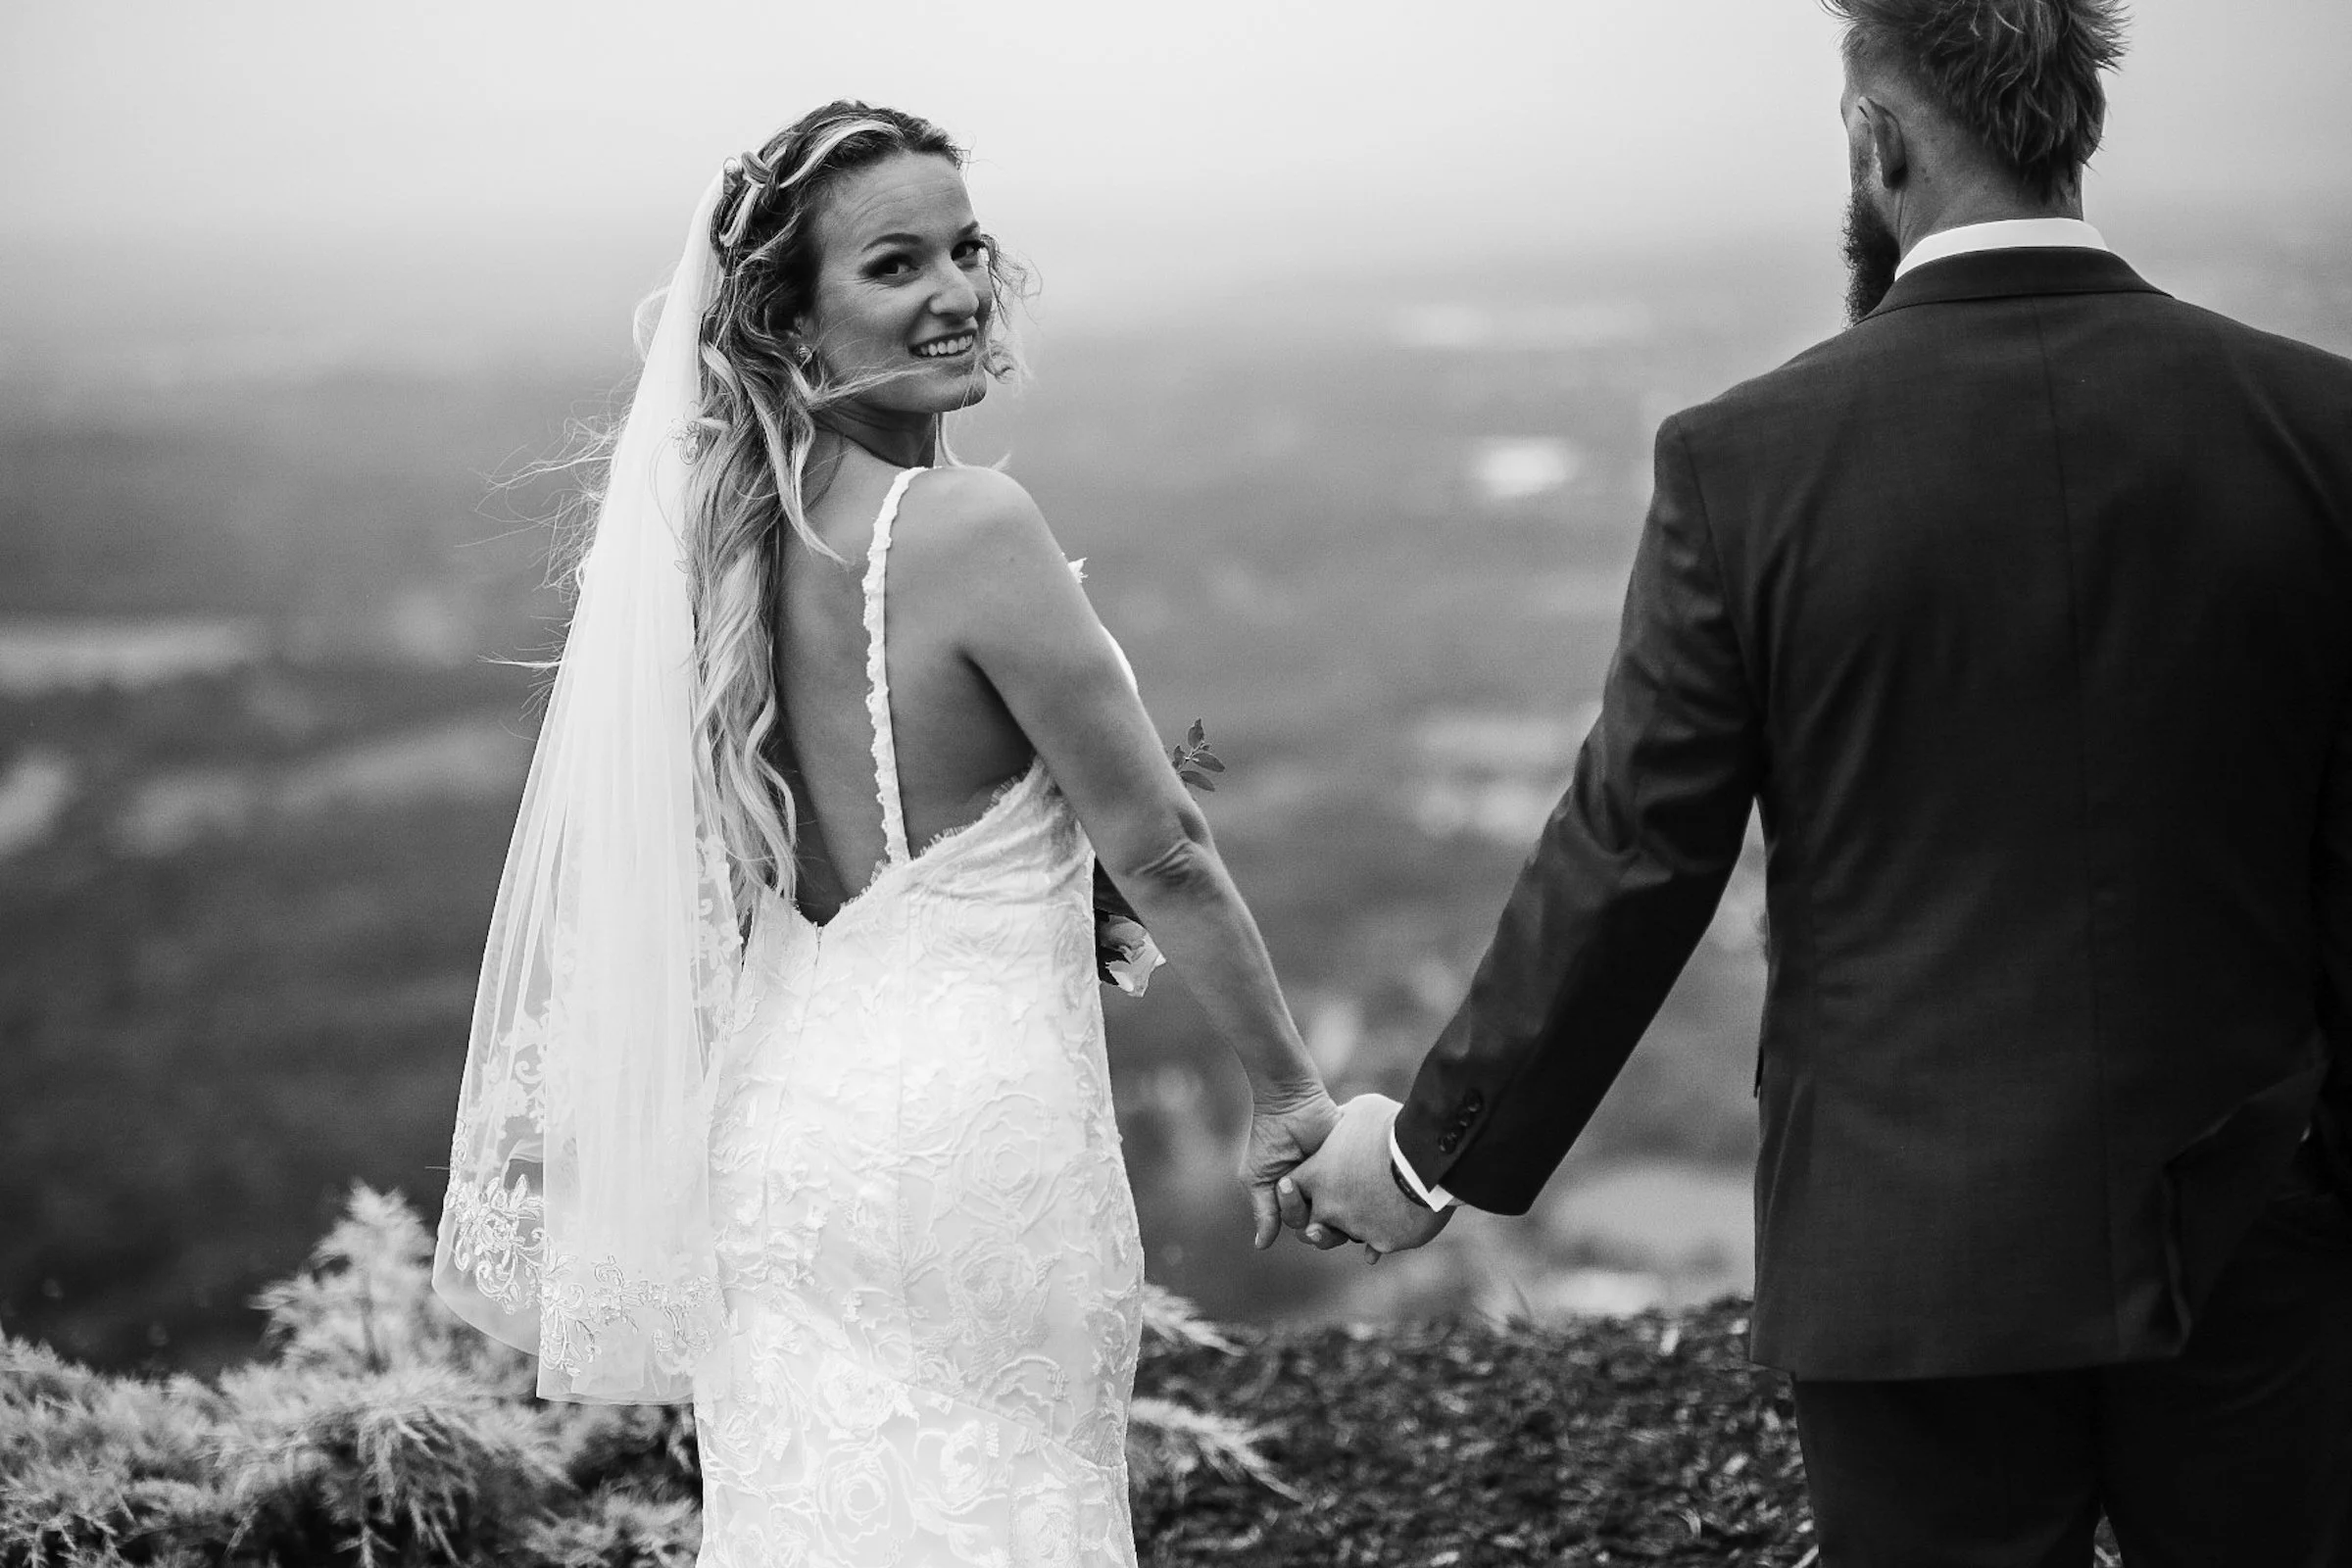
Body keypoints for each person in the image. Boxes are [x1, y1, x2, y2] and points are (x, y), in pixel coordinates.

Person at [1285, 1, 2352, 1561]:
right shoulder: (2318, 425)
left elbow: (1639, 852)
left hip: (1910, 1250)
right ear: (2081, 131)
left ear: (1876, 140)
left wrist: (1422, 1154)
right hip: (2263, 1230)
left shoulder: (1750, 460)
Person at [432, 103, 1337, 1567]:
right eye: (898, 264)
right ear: (792, 323)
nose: (959, 290)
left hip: (781, 1143)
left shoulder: (722, 553)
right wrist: (1291, 1094)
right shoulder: (972, 527)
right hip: (970, 1150)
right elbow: (1163, 844)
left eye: (969, 248)